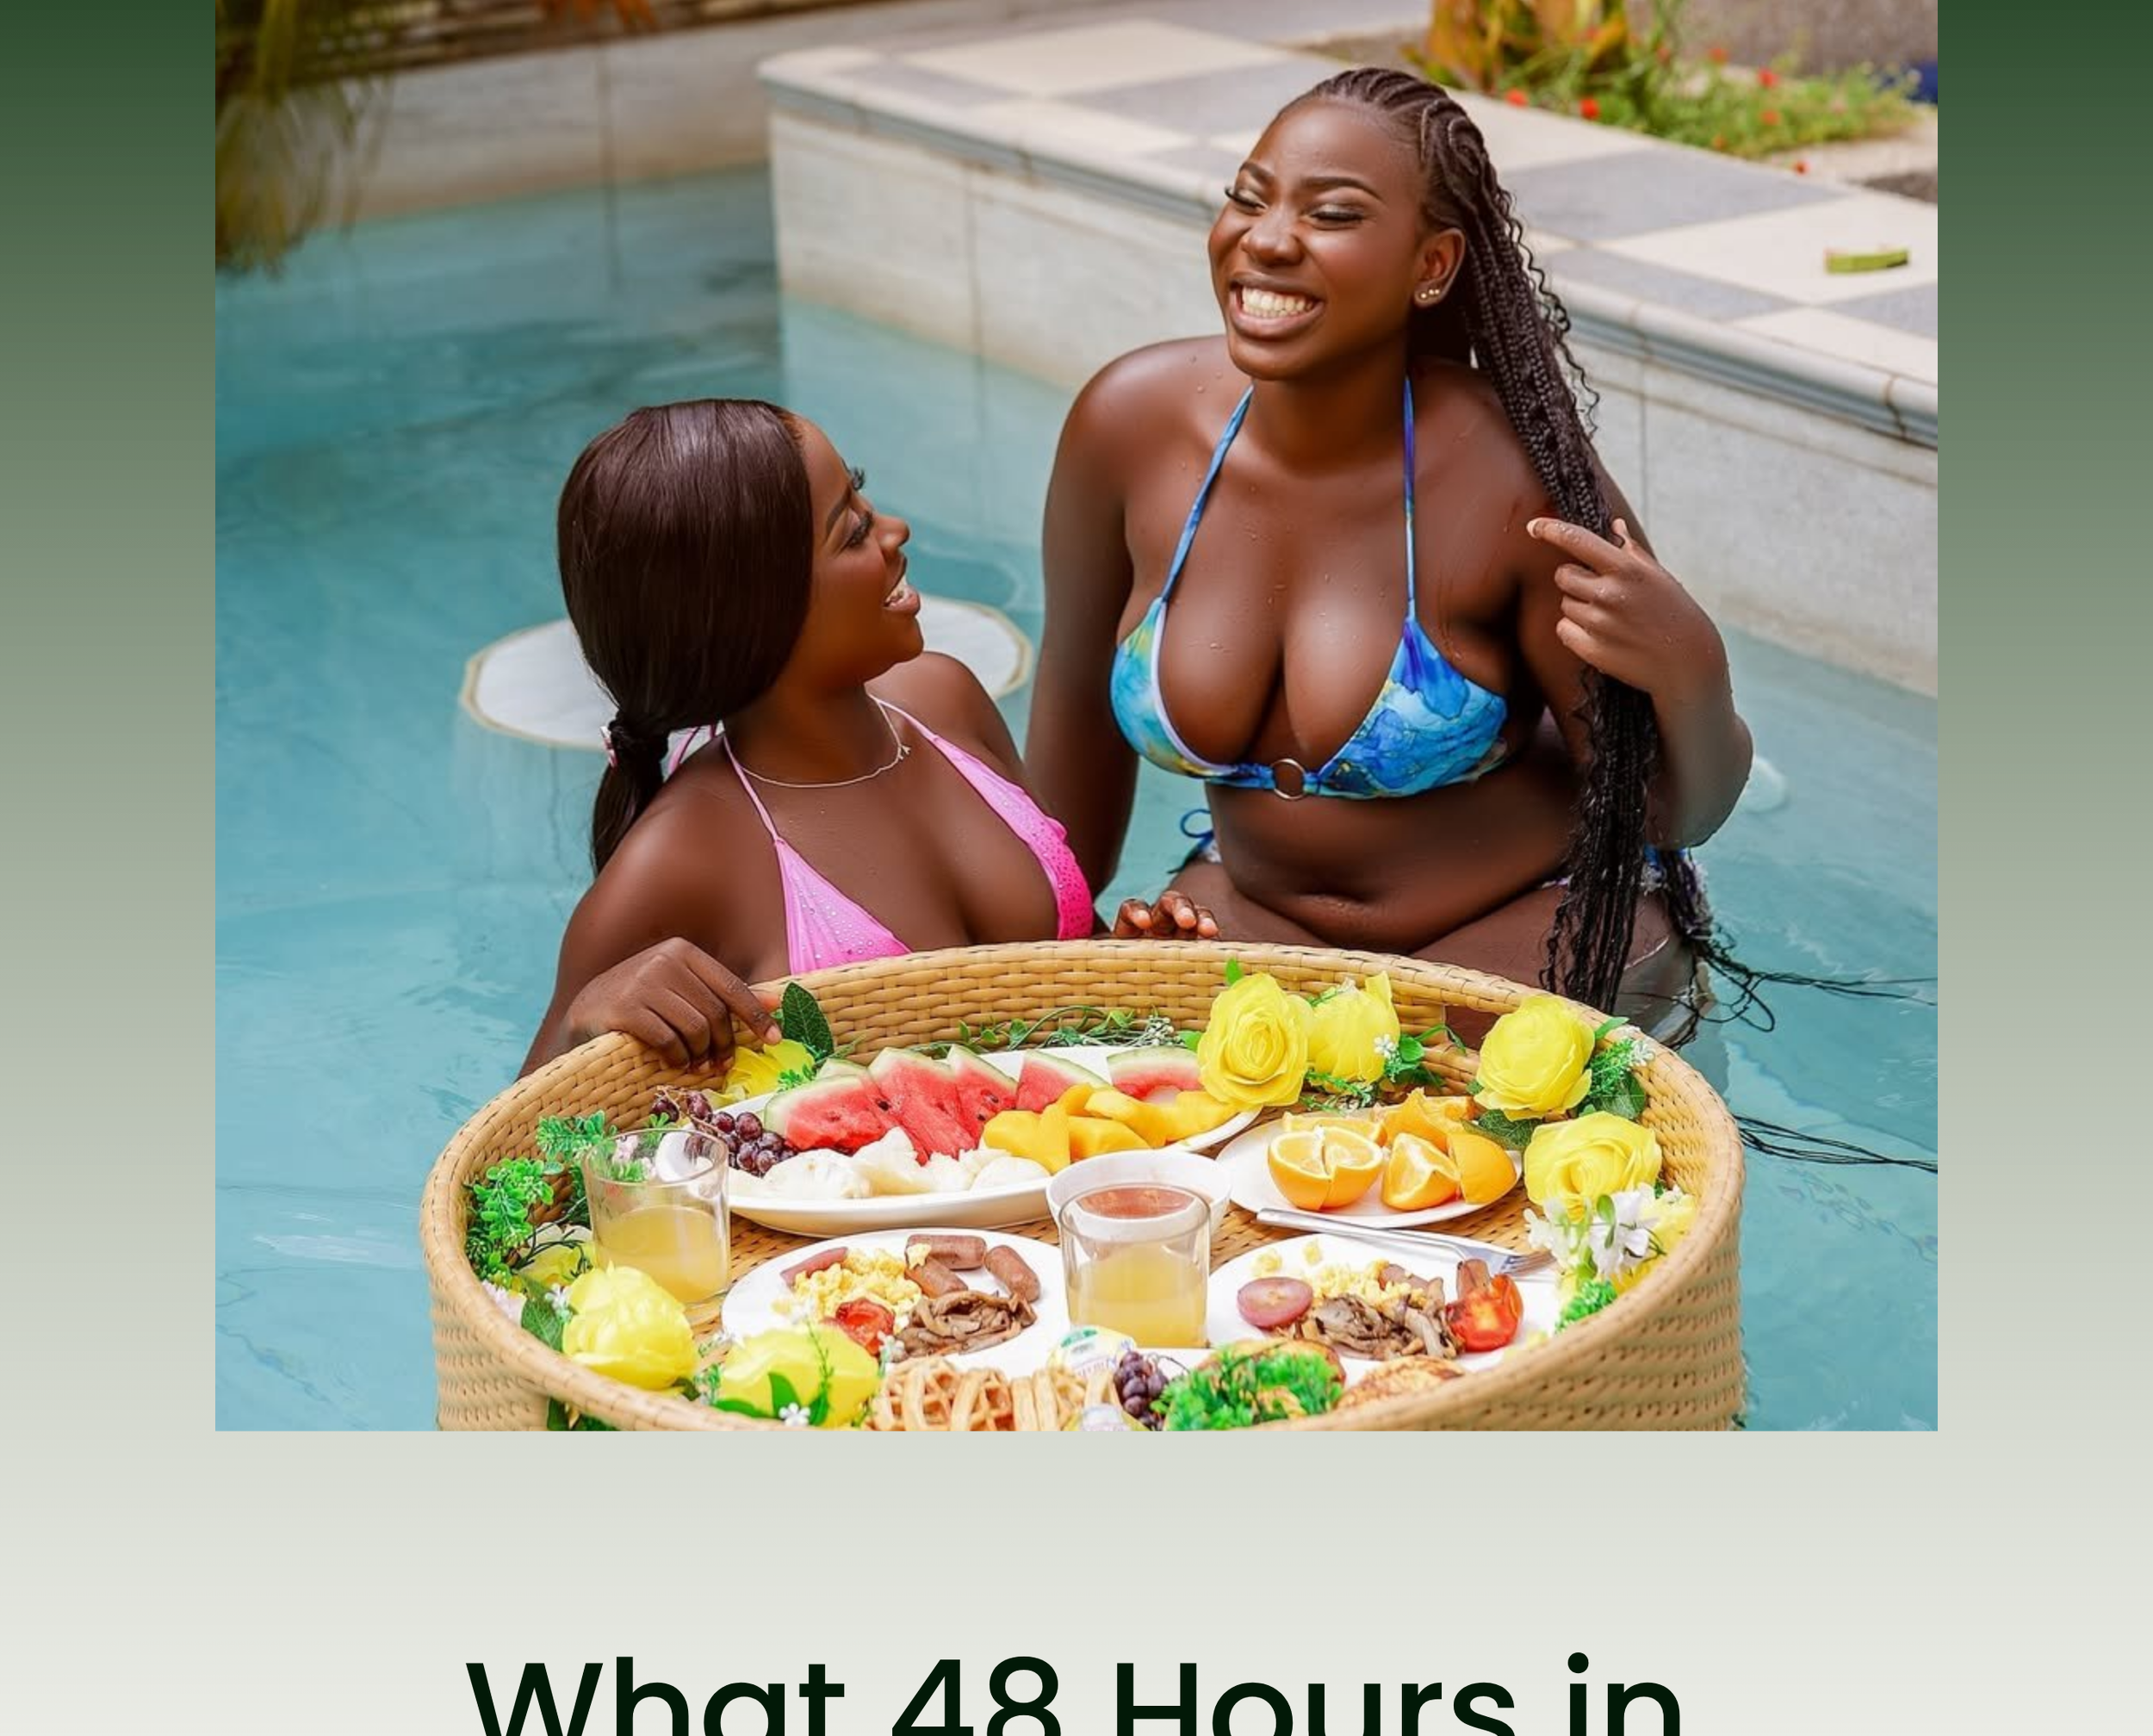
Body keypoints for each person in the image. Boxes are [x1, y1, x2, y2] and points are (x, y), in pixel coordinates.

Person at [1024, 65, 1753, 1032]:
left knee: (1394, 1105)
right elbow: (1065, 805)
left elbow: (1663, 811)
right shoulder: (1127, 427)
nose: (1267, 239)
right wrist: (1035, 985)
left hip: (1529, 927)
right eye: (1248, 197)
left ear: (1431, 264)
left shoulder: (1507, 479)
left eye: (1330, 215)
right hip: (1259, 918)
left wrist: (1694, 672)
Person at [520, 399, 1092, 1075]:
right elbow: (505, 1171)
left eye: (864, 498)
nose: (896, 531)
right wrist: (584, 1026)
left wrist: (1149, 947)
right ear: (753, 610)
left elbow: (1076, 981)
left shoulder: (946, 702)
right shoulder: (679, 858)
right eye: (852, 533)